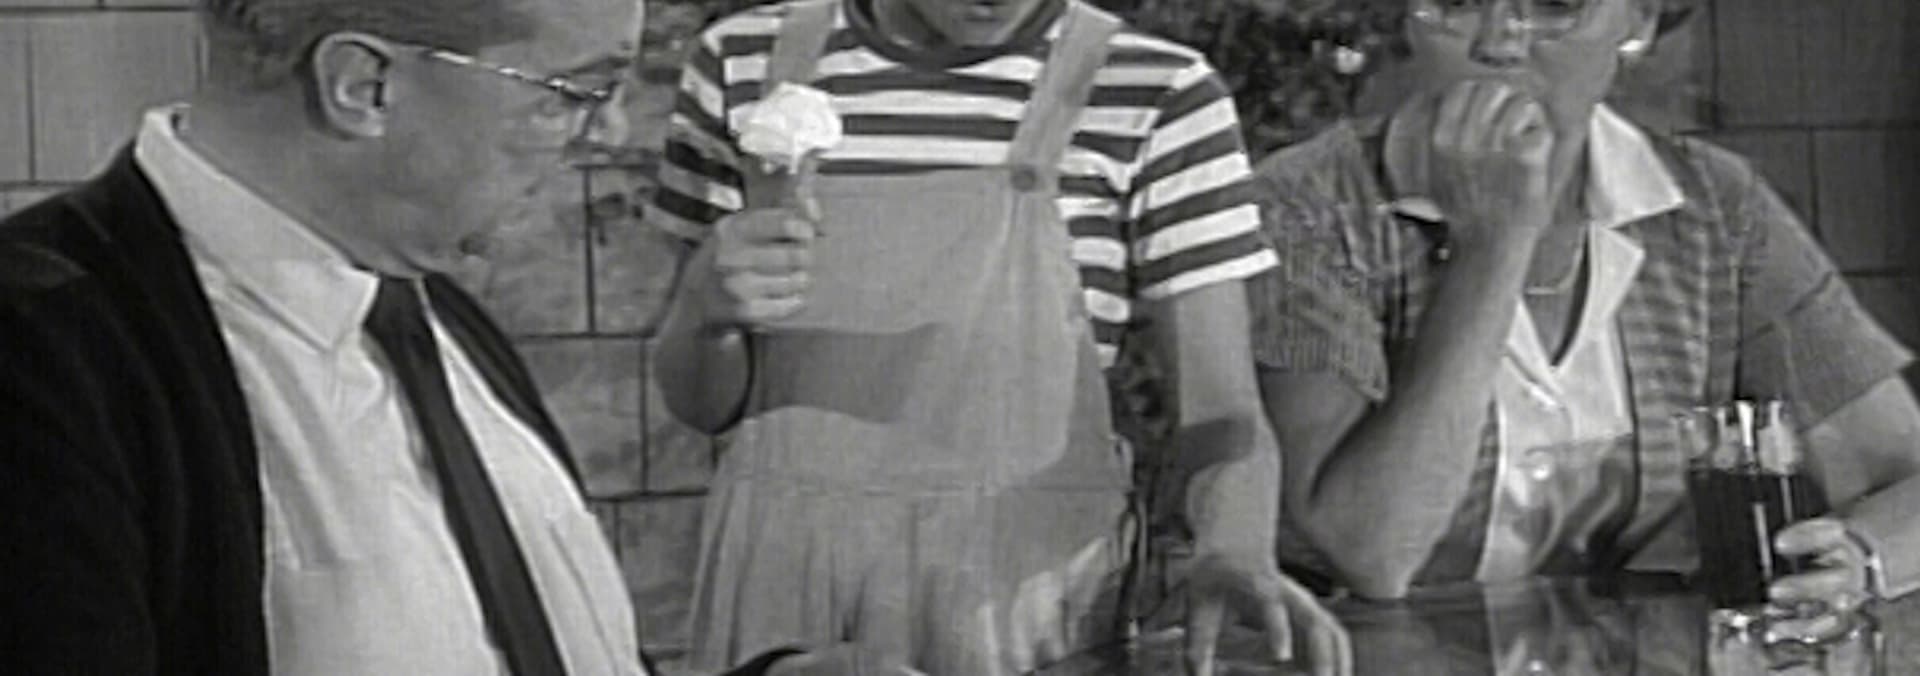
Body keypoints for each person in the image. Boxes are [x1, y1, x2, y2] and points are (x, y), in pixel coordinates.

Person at [0, 0, 884, 673]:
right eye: (574, 92)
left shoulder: (432, 311)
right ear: (365, 87)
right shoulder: (44, 357)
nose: (609, 132)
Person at [649, 0, 1351, 673]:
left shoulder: (1158, 92)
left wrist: (1233, 547)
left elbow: (1221, 412)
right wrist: (707, 309)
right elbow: (703, 405)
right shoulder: (745, 64)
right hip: (779, 592)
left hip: (1018, 609)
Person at [1248, 0, 1920, 625]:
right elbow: (1371, 552)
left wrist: (1859, 558)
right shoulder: (1306, 206)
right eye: (1457, 1)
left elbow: (1904, 473)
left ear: (1641, 21)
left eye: (1556, 4)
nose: (1500, 41)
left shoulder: (1714, 206)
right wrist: (1494, 245)